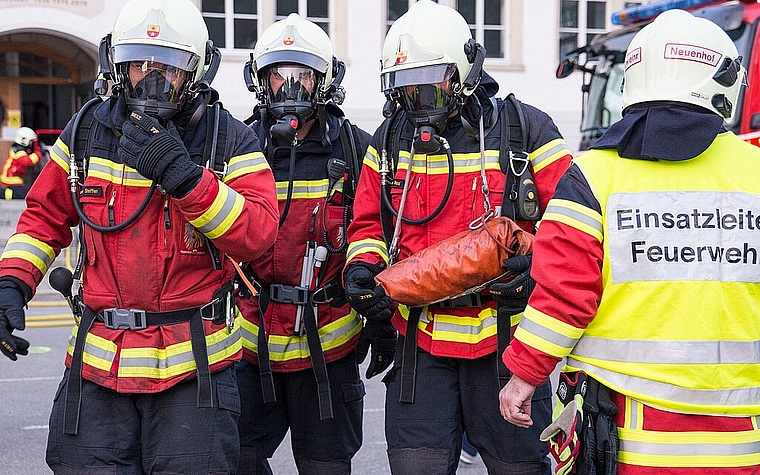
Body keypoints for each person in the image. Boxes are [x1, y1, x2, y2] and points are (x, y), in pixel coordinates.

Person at [0, 0, 279, 473]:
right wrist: (11, 283)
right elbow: (44, 217)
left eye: (165, 68)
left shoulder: (227, 139)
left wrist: (188, 181)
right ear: (116, 64)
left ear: (195, 70)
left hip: (196, 372)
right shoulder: (87, 130)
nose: (148, 79)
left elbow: (258, 232)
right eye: (137, 64)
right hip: (97, 367)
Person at [499, 9, 760, 475]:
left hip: (624, 440)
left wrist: (523, 375)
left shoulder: (593, 178)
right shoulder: (755, 171)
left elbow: (563, 298)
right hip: (744, 439)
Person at [343, 1, 573, 473]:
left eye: (430, 81)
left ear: (464, 70)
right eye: (405, 86)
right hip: (419, 350)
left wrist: (533, 269)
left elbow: (574, 230)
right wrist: (362, 268)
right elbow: (368, 224)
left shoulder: (525, 132)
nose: (417, 97)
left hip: (507, 346)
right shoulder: (389, 141)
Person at [235, 13, 374, 475]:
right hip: (250, 350)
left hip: (329, 355)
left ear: (325, 81)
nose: (291, 89)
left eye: (304, 76)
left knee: (326, 466)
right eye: (280, 76)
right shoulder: (238, 147)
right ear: (260, 80)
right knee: (238, 460)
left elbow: (380, 233)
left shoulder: (356, 150)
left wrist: (384, 316)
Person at [1, 126, 40, 199]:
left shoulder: (18, 149)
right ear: (24, 140)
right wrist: (38, 154)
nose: (31, 143)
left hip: (12, 176)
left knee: (21, 193)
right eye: (30, 141)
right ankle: (2, 193)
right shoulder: (19, 151)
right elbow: (28, 161)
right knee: (21, 194)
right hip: (11, 178)